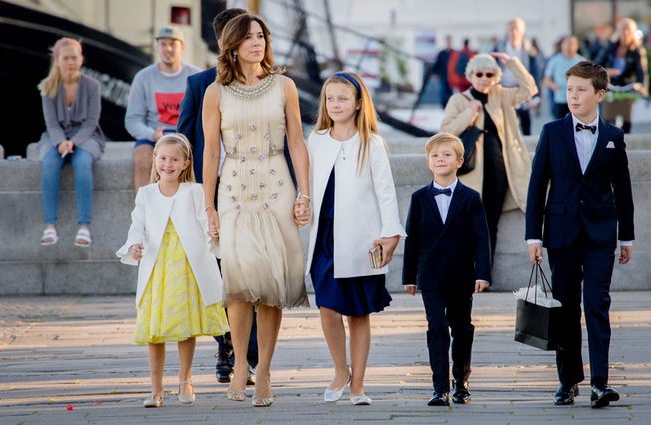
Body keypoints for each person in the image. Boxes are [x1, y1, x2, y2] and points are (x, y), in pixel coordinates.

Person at [201, 13, 310, 407]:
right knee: (238, 287)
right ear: (231, 45)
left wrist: (304, 195)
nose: (257, 43)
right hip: (233, 191)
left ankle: (263, 369)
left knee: (269, 287)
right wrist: (209, 207)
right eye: (248, 38)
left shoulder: (284, 86)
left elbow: (297, 142)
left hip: (277, 186)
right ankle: (240, 368)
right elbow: (211, 151)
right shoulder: (216, 92)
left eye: (261, 36)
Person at [525, 61, 634, 408]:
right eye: (570, 88)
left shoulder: (614, 137)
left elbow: (624, 190)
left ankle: (600, 382)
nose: (573, 95)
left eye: (581, 89)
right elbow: (537, 186)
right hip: (562, 234)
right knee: (567, 309)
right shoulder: (552, 132)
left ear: (600, 94)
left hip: (601, 234)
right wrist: (533, 237)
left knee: (597, 305)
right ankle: (568, 379)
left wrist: (626, 237)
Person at [305, 71, 405, 406]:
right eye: (330, 98)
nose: (335, 104)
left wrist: (391, 235)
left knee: (358, 313)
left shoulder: (371, 143)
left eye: (343, 98)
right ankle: (339, 370)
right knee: (327, 307)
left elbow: (386, 193)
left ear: (359, 103)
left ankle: (358, 384)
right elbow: (304, 184)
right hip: (325, 238)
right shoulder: (316, 139)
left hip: (362, 241)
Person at [116, 133, 229, 407]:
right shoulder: (146, 194)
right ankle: (155, 389)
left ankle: (185, 380)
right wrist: (135, 246)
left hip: (187, 266)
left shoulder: (195, 191)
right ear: (154, 160)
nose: (168, 164)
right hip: (158, 267)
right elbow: (137, 225)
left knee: (184, 325)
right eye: (163, 158)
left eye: (174, 159)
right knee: (155, 327)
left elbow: (206, 223)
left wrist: (215, 235)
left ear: (185, 162)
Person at [176, 6, 257, 386]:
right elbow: (185, 140)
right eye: (237, 36)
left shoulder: (268, 83)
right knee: (221, 274)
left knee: (254, 273)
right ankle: (227, 350)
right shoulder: (199, 85)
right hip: (214, 189)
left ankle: (248, 357)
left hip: (257, 191)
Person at [402, 132, 491, 407]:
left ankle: (461, 381)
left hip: (461, 275)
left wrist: (483, 273)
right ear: (428, 162)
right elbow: (412, 238)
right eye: (435, 156)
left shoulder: (471, 198)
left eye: (447, 155)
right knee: (436, 327)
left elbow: (481, 238)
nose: (440, 159)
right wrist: (409, 277)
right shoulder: (419, 198)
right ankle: (439, 387)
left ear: (460, 161)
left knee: (462, 328)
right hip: (430, 276)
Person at [440, 52, 537, 265]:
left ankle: (483, 275)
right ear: (470, 75)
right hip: (470, 172)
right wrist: (469, 114)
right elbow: (445, 132)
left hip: (498, 170)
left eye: (490, 74)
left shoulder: (501, 95)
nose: (484, 78)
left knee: (490, 223)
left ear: (496, 77)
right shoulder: (459, 100)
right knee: (466, 224)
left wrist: (510, 61)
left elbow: (530, 89)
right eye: (479, 73)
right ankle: (465, 274)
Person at [36, 37, 105, 247]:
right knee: (49, 164)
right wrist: (60, 142)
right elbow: (51, 123)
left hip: (87, 135)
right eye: (65, 58)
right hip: (55, 135)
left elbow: (92, 121)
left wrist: (73, 142)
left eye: (74, 57)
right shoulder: (47, 87)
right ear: (57, 60)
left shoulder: (92, 85)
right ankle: (50, 226)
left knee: (82, 163)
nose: (70, 62)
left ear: (81, 59)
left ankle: (84, 227)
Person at [125, 26, 201, 190]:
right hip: (154, 135)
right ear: (157, 46)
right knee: (142, 159)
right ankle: (144, 211)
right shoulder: (143, 77)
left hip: (185, 134)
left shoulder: (196, 76)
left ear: (182, 47)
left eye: (172, 44)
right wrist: (152, 135)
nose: (168, 49)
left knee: (199, 158)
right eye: (163, 44)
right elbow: (132, 120)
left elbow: (204, 115)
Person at [594, 18, 648, 134]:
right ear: (617, 31)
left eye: (628, 30)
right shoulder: (610, 47)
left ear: (633, 32)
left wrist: (642, 88)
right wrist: (606, 71)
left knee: (626, 120)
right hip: (609, 86)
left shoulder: (637, 51)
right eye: (622, 29)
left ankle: (624, 146)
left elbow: (641, 71)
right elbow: (596, 66)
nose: (625, 33)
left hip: (627, 87)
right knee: (607, 120)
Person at [493, 17, 540, 135]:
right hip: (504, 88)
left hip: (522, 88)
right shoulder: (499, 48)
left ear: (522, 32)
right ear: (507, 31)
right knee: (504, 122)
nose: (514, 32)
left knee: (525, 121)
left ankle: (526, 149)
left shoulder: (529, 50)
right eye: (511, 29)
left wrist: (536, 96)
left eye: (517, 29)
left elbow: (535, 72)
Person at [543, 35, 585, 118]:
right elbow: (546, 79)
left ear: (577, 46)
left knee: (577, 127)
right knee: (560, 127)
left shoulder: (582, 61)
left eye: (573, 44)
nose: (570, 46)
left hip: (578, 101)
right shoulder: (554, 60)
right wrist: (553, 85)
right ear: (562, 45)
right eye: (567, 43)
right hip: (560, 99)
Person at [429, 35, 454, 108]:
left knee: (450, 92)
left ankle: (450, 106)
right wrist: (434, 73)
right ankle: (444, 106)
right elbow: (437, 64)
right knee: (443, 91)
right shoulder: (441, 53)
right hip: (443, 75)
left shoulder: (454, 53)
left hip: (452, 77)